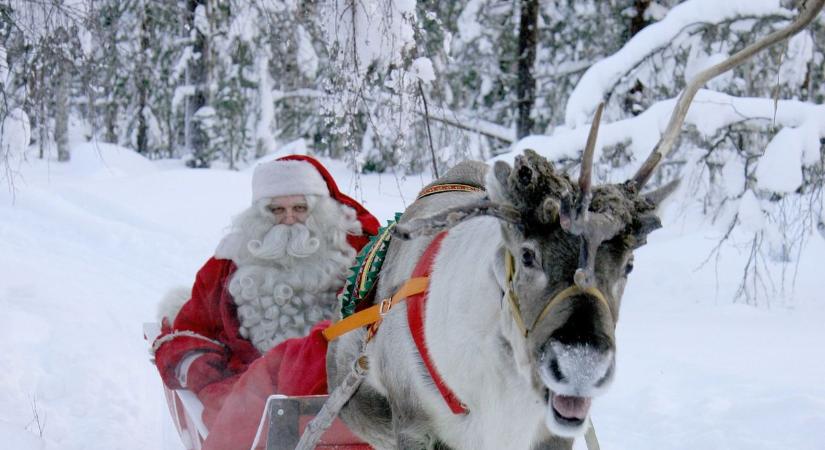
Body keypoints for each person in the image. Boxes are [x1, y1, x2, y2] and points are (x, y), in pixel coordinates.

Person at [151, 154, 379, 450]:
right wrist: (212, 378)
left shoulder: (359, 256)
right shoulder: (227, 265)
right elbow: (192, 329)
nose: (288, 219)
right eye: (276, 210)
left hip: (344, 391)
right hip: (257, 393)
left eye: (300, 208)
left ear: (321, 211)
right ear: (258, 214)